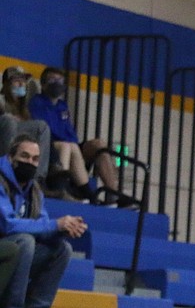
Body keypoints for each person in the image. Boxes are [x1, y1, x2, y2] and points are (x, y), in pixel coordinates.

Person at [0, 134, 87, 308]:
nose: (29, 163)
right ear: (10, 157)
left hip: (17, 252)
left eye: (35, 159)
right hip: (4, 251)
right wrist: (55, 224)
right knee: (25, 241)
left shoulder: (34, 190)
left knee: (62, 249)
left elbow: (44, 223)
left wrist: (63, 229)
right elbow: (8, 224)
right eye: (24, 156)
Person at [28, 66, 125, 205]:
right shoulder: (37, 102)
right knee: (67, 145)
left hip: (70, 147)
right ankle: (62, 188)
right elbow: (48, 131)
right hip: (51, 149)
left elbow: (71, 133)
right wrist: (69, 142)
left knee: (99, 144)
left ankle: (114, 193)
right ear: (43, 84)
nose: (57, 83)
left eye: (60, 80)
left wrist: (74, 144)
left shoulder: (63, 106)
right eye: (52, 80)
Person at [0, 66, 51, 183]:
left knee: (42, 127)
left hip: (17, 138)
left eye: (23, 81)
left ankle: (37, 178)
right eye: (17, 81)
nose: (21, 84)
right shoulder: (1, 99)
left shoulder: (24, 108)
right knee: (9, 120)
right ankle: (6, 169)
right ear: (7, 83)